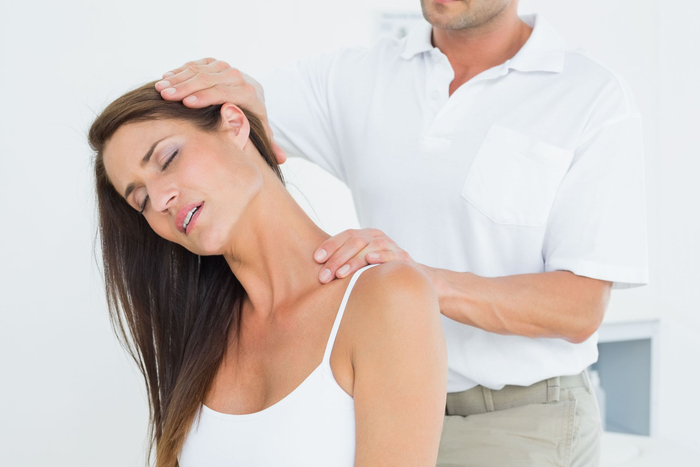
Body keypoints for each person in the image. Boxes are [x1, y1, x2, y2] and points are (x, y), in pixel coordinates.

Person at [156, 1, 649, 465]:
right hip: (375, 402)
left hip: (515, 418)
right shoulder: (357, 76)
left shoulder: (591, 96)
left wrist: (407, 281)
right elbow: (227, 123)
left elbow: (578, 308)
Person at [88, 82, 447, 467]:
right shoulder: (200, 337)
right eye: (140, 200)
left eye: (168, 158)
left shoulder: (386, 298)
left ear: (234, 124)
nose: (159, 200)